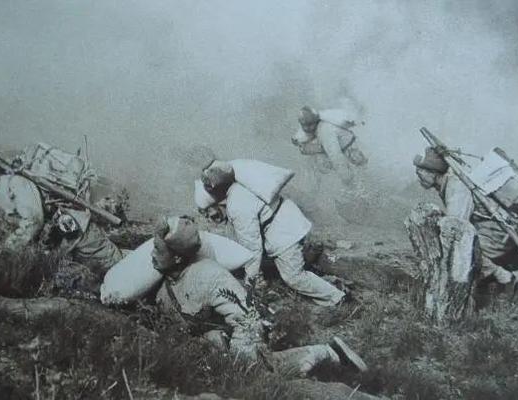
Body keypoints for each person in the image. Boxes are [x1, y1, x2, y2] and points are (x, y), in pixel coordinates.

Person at [152, 215, 367, 376]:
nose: (152, 255)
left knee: (258, 373)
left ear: (178, 259)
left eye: (158, 250)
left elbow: (248, 319)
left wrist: (239, 360)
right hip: (211, 347)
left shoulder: (208, 275)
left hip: (242, 339)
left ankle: (326, 353)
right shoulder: (163, 286)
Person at [195, 159, 346, 307]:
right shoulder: (241, 186)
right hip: (289, 218)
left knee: (293, 277)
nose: (213, 218)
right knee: (288, 266)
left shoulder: (237, 205)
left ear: (217, 201)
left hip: (284, 231)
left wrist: (250, 282)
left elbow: (252, 249)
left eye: (212, 214)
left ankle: (337, 298)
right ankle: (328, 283)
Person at [413, 147, 518, 287]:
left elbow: (456, 227)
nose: (419, 176)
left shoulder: (456, 187)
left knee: (459, 246)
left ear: (434, 172)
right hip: (493, 231)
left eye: (421, 171)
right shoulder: (449, 184)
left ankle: (503, 277)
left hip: (498, 234)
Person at [291, 106, 367, 186]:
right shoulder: (315, 129)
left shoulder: (325, 130)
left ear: (315, 121)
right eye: (304, 125)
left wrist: (346, 178)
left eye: (310, 125)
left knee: (362, 174)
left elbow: (335, 155)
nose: (307, 128)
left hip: (352, 152)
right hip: (347, 151)